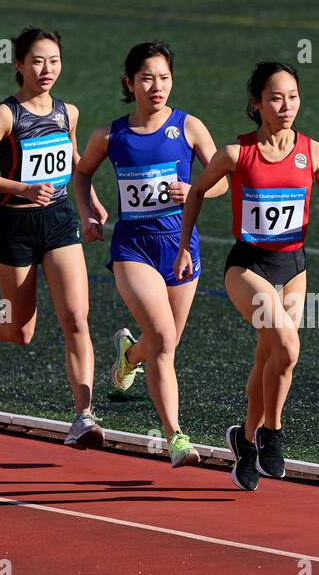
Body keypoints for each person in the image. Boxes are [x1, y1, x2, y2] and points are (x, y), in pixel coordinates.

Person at [174, 61, 319, 491]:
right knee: (288, 346)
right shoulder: (237, 154)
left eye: (292, 96)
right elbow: (197, 190)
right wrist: (183, 245)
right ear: (257, 104)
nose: (286, 105)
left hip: (293, 266)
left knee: (271, 357)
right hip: (247, 266)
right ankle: (273, 431)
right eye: (276, 97)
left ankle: (246, 442)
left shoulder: (315, 152)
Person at [73, 41, 227, 468]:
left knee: (165, 342)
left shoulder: (189, 126)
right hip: (132, 248)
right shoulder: (110, 134)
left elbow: (222, 181)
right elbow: (82, 172)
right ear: (130, 83)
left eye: (163, 78)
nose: (156, 87)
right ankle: (175, 435)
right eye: (146, 79)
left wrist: (196, 189)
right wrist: (89, 211)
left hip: (180, 247)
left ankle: (127, 357)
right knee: (162, 338)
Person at [0, 25, 110, 449]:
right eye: (38, 61)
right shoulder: (6, 115)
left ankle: (83, 416)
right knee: (20, 331)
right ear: (20, 65)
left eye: (55, 60)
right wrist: (22, 188)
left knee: (77, 318)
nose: (47, 69)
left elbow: (76, 164)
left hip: (61, 221)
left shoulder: (69, 112)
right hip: (15, 227)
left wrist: (90, 204)